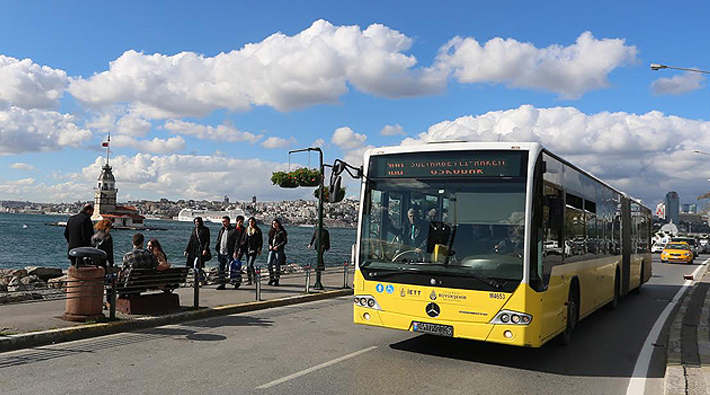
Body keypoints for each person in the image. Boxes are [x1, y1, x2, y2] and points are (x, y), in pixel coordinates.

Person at [214, 216, 238, 290]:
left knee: (231, 268)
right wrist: (217, 249)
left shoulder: (233, 231)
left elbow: (236, 242)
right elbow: (219, 240)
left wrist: (235, 251)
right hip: (221, 252)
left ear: (228, 222)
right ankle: (222, 284)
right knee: (221, 269)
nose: (223, 223)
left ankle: (236, 281)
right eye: (222, 222)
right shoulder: (221, 230)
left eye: (225, 221)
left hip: (229, 253)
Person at [238, 217, 262, 285]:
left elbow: (260, 241)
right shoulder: (246, 230)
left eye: (252, 221)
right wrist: (240, 248)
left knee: (249, 264)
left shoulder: (257, 231)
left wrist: (259, 249)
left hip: (253, 249)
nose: (251, 223)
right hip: (246, 249)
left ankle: (254, 277)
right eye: (249, 221)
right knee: (249, 264)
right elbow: (243, 239)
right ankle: (250, 280)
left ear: (254, 222)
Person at [266, 218, 287, 286]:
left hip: (279, 250)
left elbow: (285, 241)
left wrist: (278, 246)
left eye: (275, 223)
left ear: (278, 224)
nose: (274, 225)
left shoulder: (282, 232)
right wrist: (270, 245)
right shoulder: (272, 232)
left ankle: (277, 280)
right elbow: (269, 240)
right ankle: (272, 278)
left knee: (277, 265)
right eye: (273, 224)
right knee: (269, 263)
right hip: (272, 249)